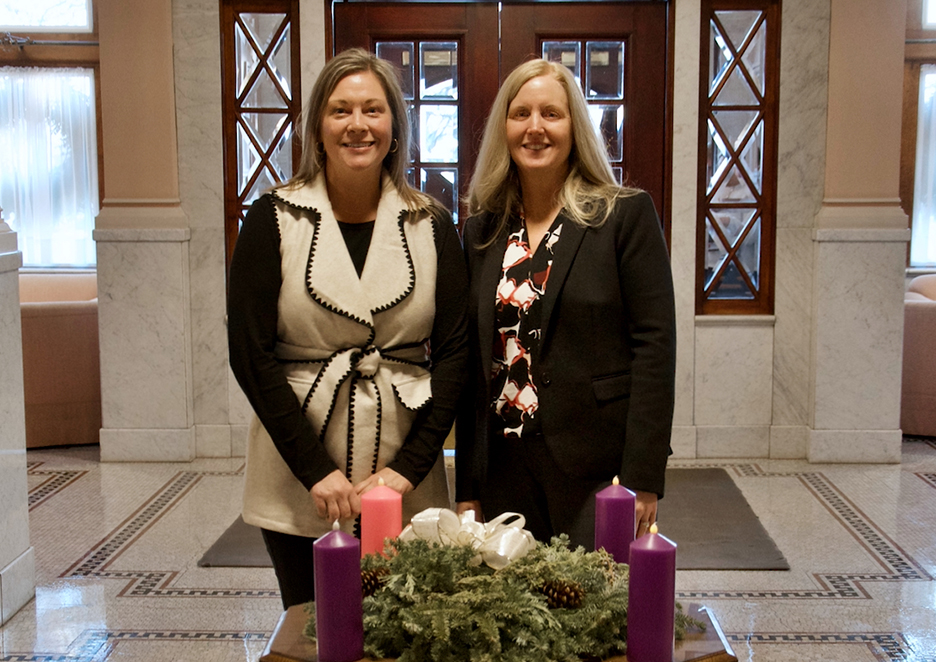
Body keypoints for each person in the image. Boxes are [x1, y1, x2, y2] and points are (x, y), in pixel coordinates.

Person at [227, 48, 468, 608]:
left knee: (406, 637)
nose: (357, 125)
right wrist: (316, 471)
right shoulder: (272, 219)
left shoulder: (431, 222)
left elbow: (456, 355)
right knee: (313, 631)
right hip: (298, 473)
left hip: (405, 467)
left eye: (373, 110)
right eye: (340, 111)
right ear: (317, 127)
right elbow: (250, 355)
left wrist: (407, 471)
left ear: (394, 127)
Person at [454, 59, 675, 550]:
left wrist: (643, 475)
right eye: (521, 114)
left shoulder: (623, 216)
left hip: (597, 468)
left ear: (575, 125)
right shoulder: (481, 231)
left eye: (551, 114)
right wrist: (466, 486)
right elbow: (473, 367)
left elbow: (655, 349)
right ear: (504, 128)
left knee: (594, 617)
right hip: (504, 469)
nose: (535, 127)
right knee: (512, 616)